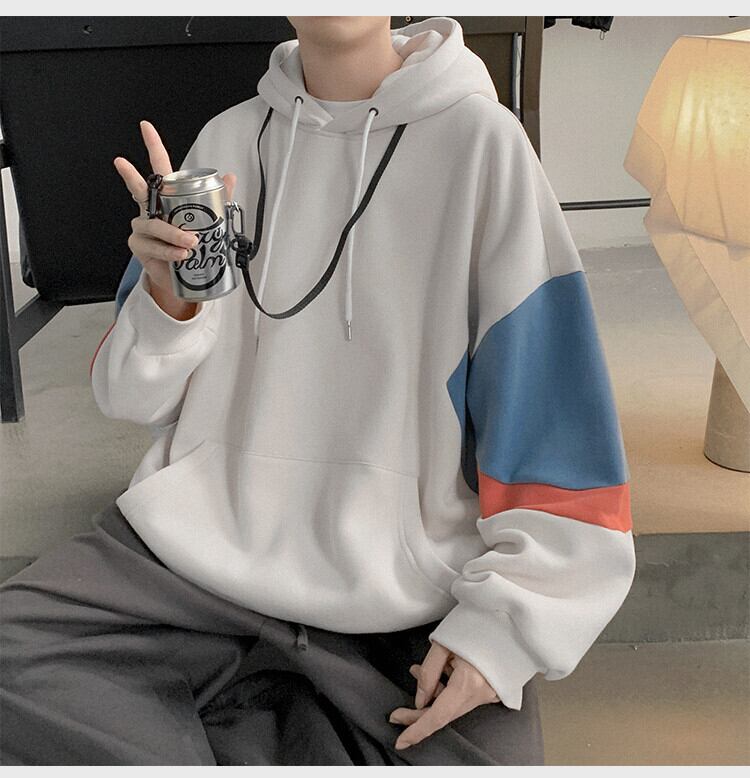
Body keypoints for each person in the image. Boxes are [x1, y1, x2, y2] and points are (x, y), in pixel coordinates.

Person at [0, 16, 636, 765]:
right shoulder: (227, 141)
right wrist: (169, 301)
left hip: (400, 599)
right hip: (191, 568)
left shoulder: (482, 145)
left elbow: (556, 421)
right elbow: (130, 398)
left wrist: (506, 628)